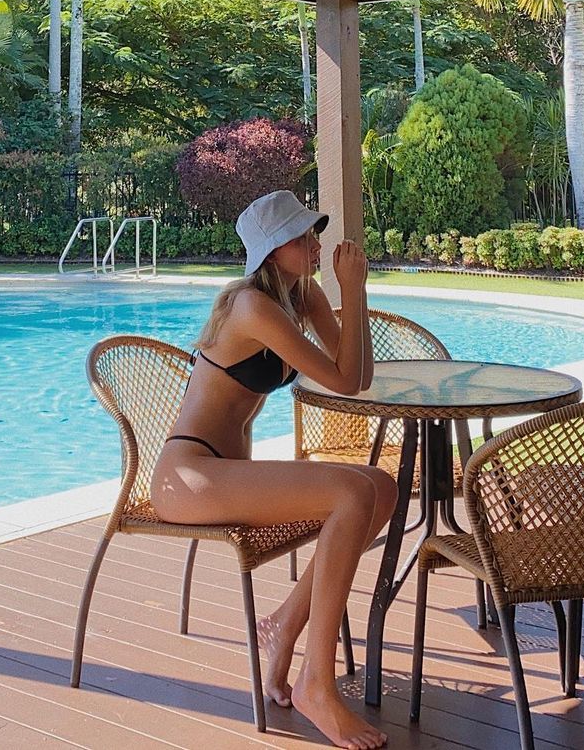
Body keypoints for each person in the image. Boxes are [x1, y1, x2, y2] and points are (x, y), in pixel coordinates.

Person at [150, 190, 396, 750]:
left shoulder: (300, 295)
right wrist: (352, 289)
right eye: (300, 236)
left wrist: (351, 294)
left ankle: (285, 623)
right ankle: (316, 684)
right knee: (352, 495)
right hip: (188, 476)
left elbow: (357, 377)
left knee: (381, 488)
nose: (314, 243)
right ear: (270, 250)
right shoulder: (251, 307)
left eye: (313, 232)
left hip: (225, 475)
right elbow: (343, 381)